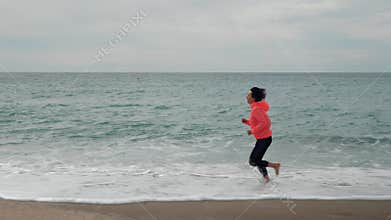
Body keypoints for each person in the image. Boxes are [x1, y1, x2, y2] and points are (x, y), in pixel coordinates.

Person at [242, 87, 280, 183]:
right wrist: (247, 122)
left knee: (253, 161)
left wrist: (252, 131)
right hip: (263, 139)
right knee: (257, 160)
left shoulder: (256, 109)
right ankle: (266, 178)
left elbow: (265, 123)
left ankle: (275, 165)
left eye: (248, 95)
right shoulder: (256, 108)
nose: (246, 96)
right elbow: (257, 122)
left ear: (253, 98)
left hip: (264, 139)